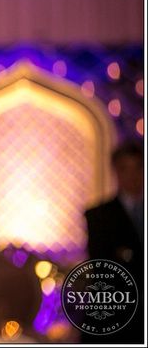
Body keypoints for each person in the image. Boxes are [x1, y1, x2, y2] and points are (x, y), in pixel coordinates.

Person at [83, 139, 144, 343]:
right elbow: (104, 268)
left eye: (138, 168)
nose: (133, 176)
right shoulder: (99, 216)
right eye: (125, 169)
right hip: (118, 316)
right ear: (116, 172)